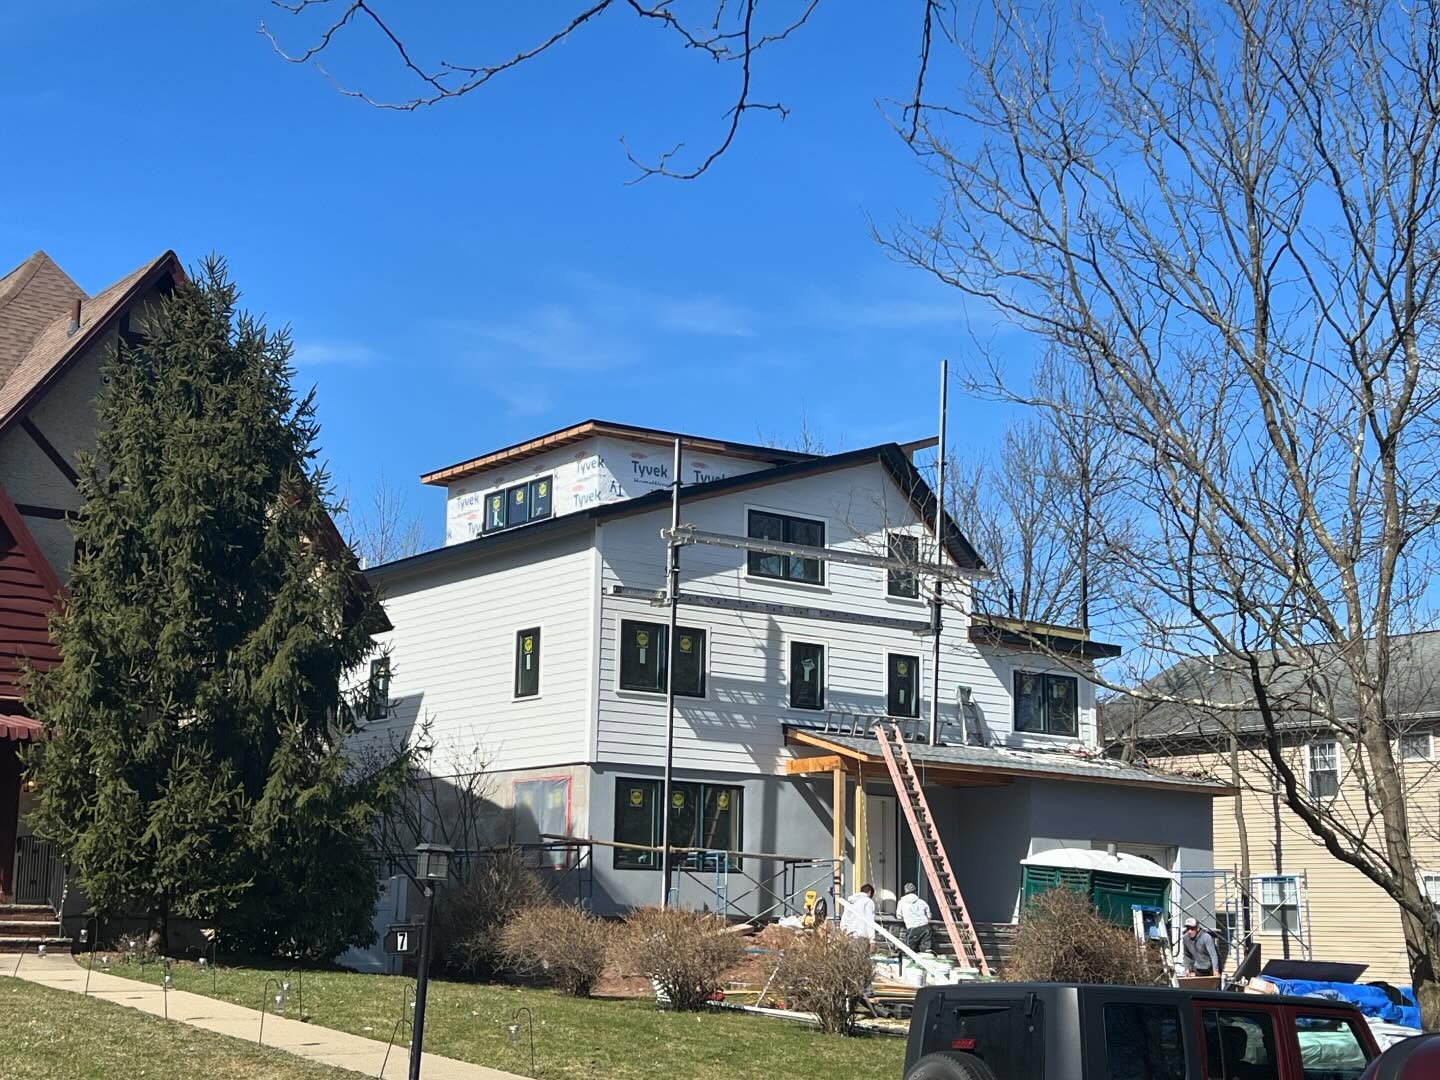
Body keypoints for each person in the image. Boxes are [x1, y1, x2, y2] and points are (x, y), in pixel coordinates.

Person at [896, 882, 933, 954]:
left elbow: (899, 916)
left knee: (909, 951)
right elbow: (929, 916)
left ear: (905, 892)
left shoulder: (901, 902)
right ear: (915, 891)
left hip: (913, 928)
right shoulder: (922, 902)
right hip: (925, 927)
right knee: (926, 951)